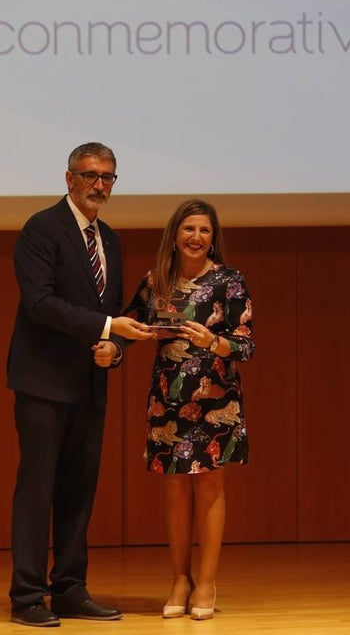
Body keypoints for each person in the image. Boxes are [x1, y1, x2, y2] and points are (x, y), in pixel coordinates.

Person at [7, 142, 153, 627]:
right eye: (90, 175)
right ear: (69, 178)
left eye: (108, 177)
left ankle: (69, 589)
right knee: (37, 490)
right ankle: (28, 597)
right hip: (43, 383)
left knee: (78, 492)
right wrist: (107, 329)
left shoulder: (109, 238)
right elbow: (40, 304)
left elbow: (111, 316)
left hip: (90, 385)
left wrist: (115, 349)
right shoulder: (41, 229)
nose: (99, 185)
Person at [123, 199, 255, 620]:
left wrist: (212, 342)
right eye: (189, 229)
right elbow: (128, 323)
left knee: (210, 486)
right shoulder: (155, 280)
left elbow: (246, 344)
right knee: (176, 488)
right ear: (174, 236)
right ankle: (180, 578)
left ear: (213, 238)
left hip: (216, 397)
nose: (196, 237)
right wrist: (122, 340)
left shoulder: (229, 281)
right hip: (168, 399)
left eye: (204, 230)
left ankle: (208, 580)